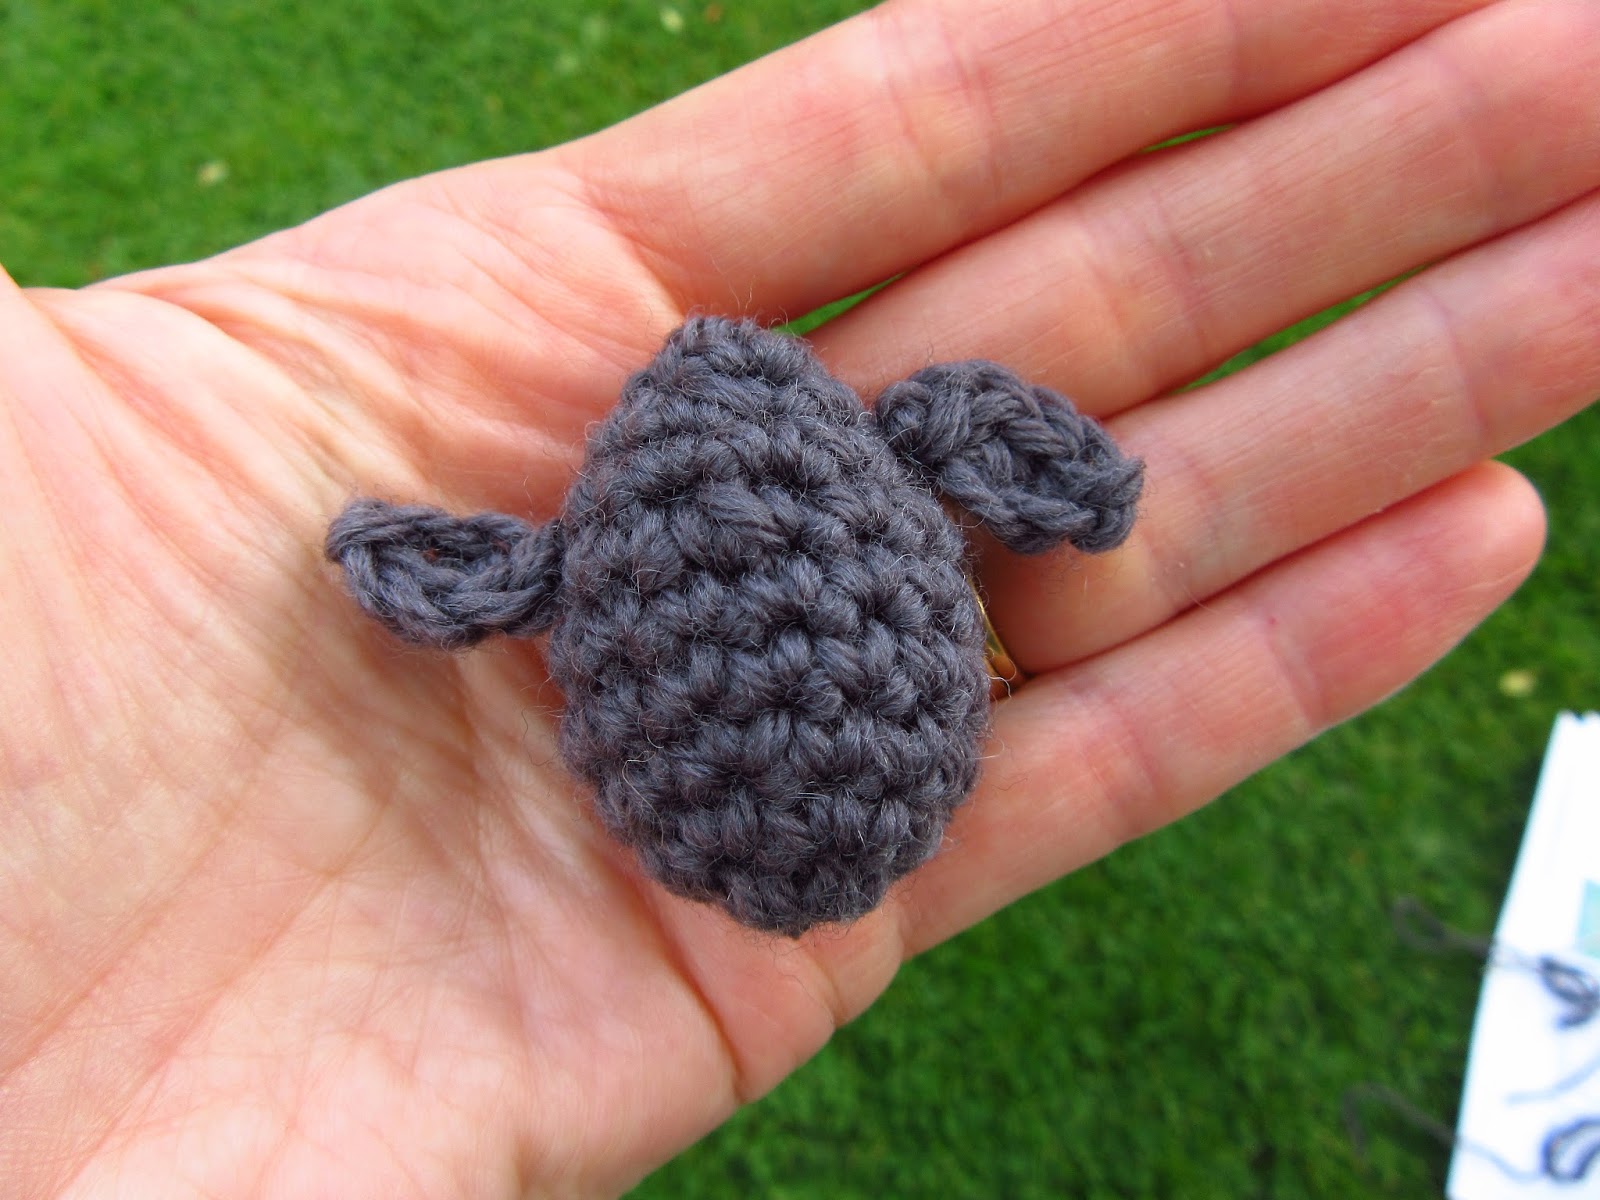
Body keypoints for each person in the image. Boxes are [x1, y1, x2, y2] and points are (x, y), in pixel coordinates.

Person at [2, 0, 1595, 1193]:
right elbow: (1064, 484)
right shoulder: (878, 450)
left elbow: (456, 579)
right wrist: (1088, 496)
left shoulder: (581, 553)